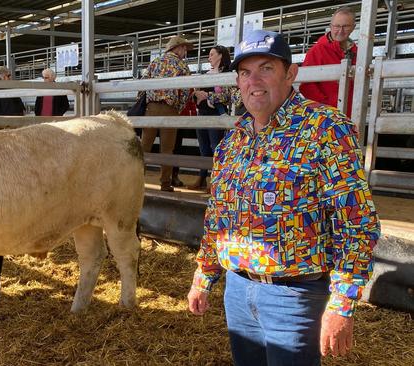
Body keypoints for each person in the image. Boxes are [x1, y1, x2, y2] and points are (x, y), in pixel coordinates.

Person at [187, 30, 380, 366]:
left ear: (291, 74)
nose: (254, 80)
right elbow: (217, 217)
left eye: (266, 68)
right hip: (236, 289)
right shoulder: (232, 142)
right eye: (245, 72)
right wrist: (203, 277)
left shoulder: (325, 128)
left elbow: (357, 222)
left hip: (294, 296)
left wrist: (342, 303)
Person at [141, 35, 193, 192]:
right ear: (177, 48)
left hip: (151, 108)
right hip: (170, 109)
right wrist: (178, 107)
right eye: (184, 48)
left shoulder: (155, 62)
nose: (185, 51)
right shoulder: (182, 65)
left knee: (145, 146)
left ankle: (137, 179)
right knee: (167, 148)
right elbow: (186, 91)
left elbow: (143, 83)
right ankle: (165, 183)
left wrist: (145, 103)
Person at [188, 45, 233, 191]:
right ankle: (202, 177)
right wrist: (197, 95)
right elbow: (197, 92)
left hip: (215, 114)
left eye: (212, 54)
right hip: (202, 112)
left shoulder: (227, 73)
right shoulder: (207, 73)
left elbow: (228, 96)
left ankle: (215, 180)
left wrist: (207, 95)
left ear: (220, 55)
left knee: (215, 147)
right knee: (203, 147)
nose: (209, 57)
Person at [299, 6, 357, 116]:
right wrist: (327, 108)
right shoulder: (317, 50)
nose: (340, 31)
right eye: (337, 26)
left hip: (351, 114)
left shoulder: (357, 52)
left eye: (345, 26)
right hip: (326, 116)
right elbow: (306, 86)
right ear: (330, 26)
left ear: (353, 27)